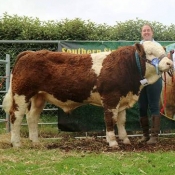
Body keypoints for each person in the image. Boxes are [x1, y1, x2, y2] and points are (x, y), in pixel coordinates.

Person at [138, 24, 162, 144]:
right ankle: (145, 135)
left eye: (148, 30)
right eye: (144, 31)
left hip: (155, 80)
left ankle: (154, 136)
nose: (146, 32)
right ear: (141, 33)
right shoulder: (137, 46)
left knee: (154, 106)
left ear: (152, 33)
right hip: (141, 81)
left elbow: (163, 63)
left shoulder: (158, 46)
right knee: (141, 107)